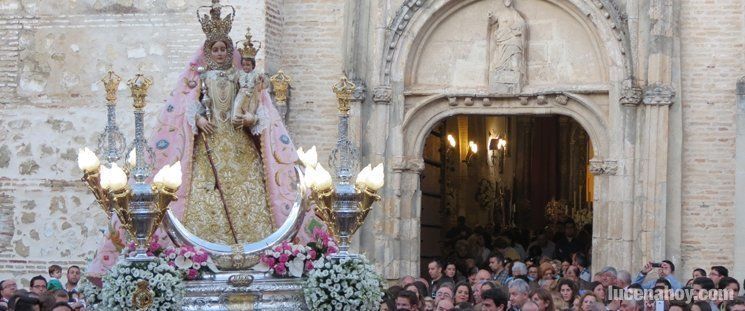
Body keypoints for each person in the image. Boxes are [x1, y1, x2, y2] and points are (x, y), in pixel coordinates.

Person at [87, 5, 309, 276]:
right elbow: (190, 107)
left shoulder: (242, 77)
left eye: (223, 49)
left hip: (240, 149)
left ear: (230, 51)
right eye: (214, 49)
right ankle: (198, 258)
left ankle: (255, 257)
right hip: (208, 147)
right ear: (208, 52)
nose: (219, 54)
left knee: (250, 197)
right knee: (201, 195)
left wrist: (250, 119)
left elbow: (259, 109)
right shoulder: (201, 78)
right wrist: (199, 120)